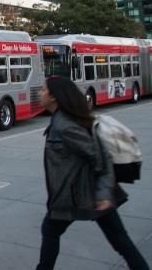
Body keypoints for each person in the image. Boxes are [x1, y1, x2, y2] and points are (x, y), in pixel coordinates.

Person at [36, 76, 148, 270]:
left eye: (43, 89)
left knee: (51, 231)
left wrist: (103, 194)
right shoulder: (64, 119)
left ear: (54, 97)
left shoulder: (65, 125)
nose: (39, 92)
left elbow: (99, 157)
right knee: (120, 240)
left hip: (81, 194)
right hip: (85, 192)